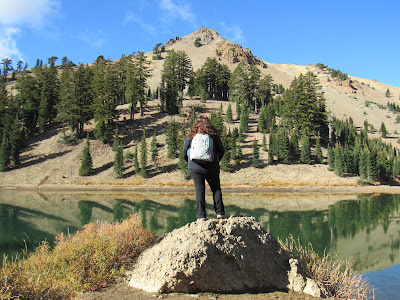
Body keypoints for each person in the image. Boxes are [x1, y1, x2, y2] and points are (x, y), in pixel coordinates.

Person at [183, 116, 227, 221]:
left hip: (195, 168)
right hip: (212, 167)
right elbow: (221, 151)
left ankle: (201, 216)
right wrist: (215, 161)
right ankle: (220, 213)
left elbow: (185, 152)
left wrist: (190, 163)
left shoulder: (191, 136)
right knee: (216, 189)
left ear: (196, 125)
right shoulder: (214, 136)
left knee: (199, 191)